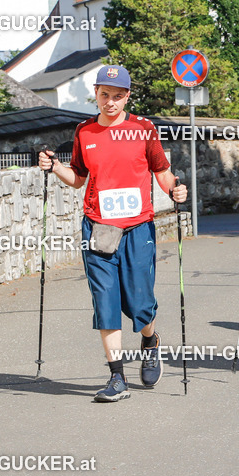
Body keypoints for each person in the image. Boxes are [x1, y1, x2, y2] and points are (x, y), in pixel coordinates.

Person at [39, 65, 188, 402]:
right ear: (96, 94)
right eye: (104, 95)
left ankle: (150, 340)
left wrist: (175, 191)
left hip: (137, 228)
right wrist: (56, 166)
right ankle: (117, 378)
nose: (110, 102)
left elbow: (162, 172)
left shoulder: (142, 129)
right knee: (105, 301)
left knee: (139, 303)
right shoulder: (84, 132)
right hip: (98, 228)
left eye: (117, 96)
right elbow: (78, 177)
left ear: (127, 97)